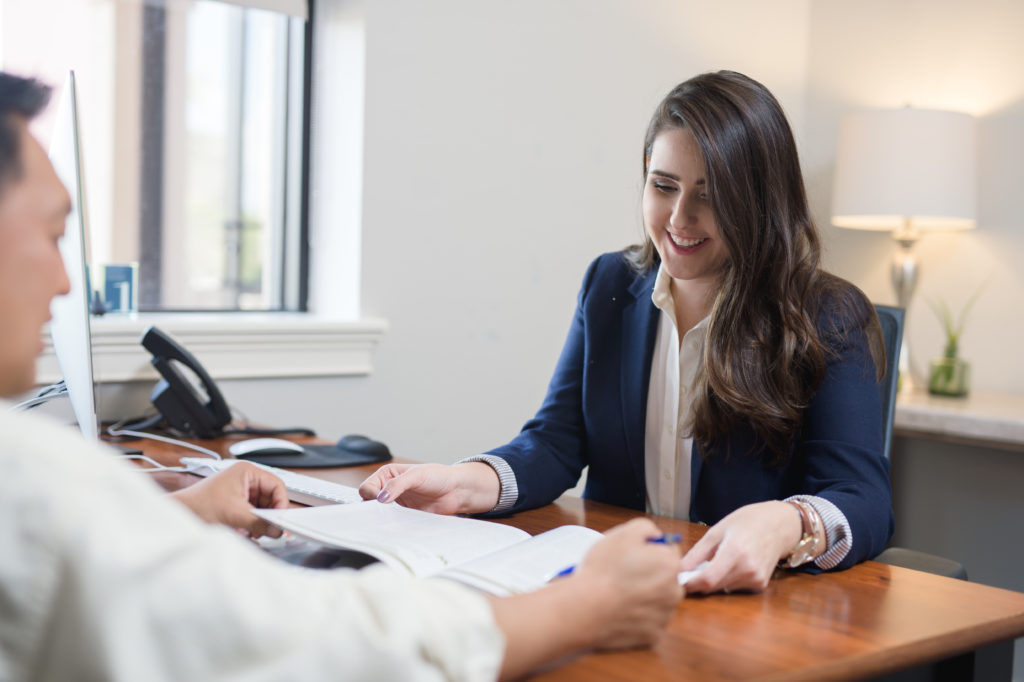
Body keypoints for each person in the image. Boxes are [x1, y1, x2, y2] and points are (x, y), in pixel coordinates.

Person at [0, 71, 683, 681]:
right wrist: (581, 605)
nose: (64, 281)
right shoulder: (33, 483)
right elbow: (302, 640)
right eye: (54, 234)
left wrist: (178, 506)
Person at [360, 70, 895, 595]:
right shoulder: (610, 284)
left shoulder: (827, 313)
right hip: (620, 588)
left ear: (759, 200)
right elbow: (556, 440)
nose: (679, 219)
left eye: (710, 195)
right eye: (664, 186)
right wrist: (463, 481)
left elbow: (862, 498)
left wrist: (787, 524)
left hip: (751, 605)